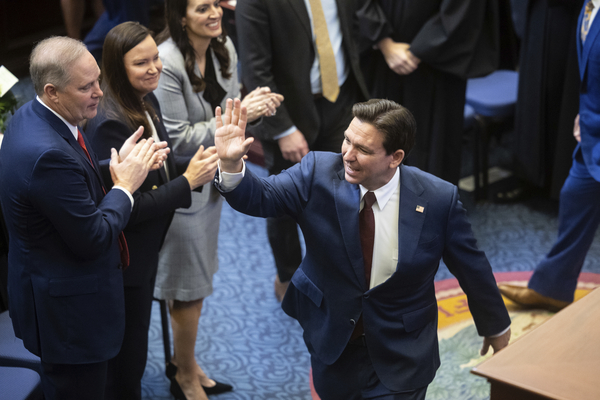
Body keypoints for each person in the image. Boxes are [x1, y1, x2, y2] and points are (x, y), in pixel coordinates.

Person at [214, 98, 512, 399]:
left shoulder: (437, 199)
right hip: (333, 340)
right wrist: (230, 164)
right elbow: (261, 197)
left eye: (364, 150)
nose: (348, 155)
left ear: (395, 157)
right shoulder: (317, 172)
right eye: (347, 140)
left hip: (402, 350)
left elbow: (471, 267)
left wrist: (496, 327)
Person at [0, 36, 166, 400]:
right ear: (52, 90)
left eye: (98, 80)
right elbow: (93, 236)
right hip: (67, 317)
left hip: (56, 295)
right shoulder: (46, 154)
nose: (99, 93)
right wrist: (125, 186)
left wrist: (116, 167)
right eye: (86, 86)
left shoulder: (35, 115)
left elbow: (73, 180)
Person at [152, 0, 283, 399]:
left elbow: (225, 123)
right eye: (201, 7)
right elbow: (177, 139)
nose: (215, 12)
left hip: (212, 181)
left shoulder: (223, 47)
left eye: (216, 4)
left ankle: (184, 363)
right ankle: (186, 375)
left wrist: (250, 112)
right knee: (190, 287)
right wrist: (244, 112)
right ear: (180, 16)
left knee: (193, 281)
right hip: (181, 186)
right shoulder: (167, 62)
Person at [85, 21, 220, 400]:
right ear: (116, 67)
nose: (156, 68)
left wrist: (200, 159)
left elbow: (156, 167)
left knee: (134, 355)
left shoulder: (147, 98)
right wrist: (189, 181)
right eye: (141, 62)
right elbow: (129, 206)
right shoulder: (112, 123)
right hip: (124, 261)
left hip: (146, 254)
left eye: (157, 57)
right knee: (126, 365)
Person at [235, 0, 394, 301]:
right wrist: (283, 129)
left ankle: (338, 274)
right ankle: (289, 277)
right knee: (283, 203)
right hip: (290, 111)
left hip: (341, 101)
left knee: (347, 194)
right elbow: (255, 68)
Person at [499, 0, 600, 312]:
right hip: (592, 128)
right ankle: (552, 287)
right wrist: (584, 114)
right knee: (576, 194)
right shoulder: (589, 7)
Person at [361, 0, 499, 186]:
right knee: (381, 143)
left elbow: (462, 10)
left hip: (438, 67)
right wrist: (384, 43)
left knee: (433, 156)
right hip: (380, 61)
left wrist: (416, 52)